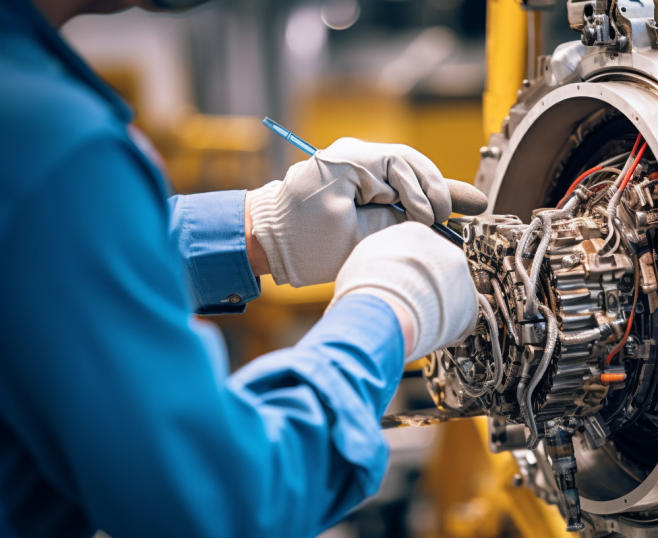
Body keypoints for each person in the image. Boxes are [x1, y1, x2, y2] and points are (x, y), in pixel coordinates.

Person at [0, 0, 481, 536]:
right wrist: (387, 312)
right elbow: (227, 504)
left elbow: (45, 261)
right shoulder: (52, 140)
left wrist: (260, 228)